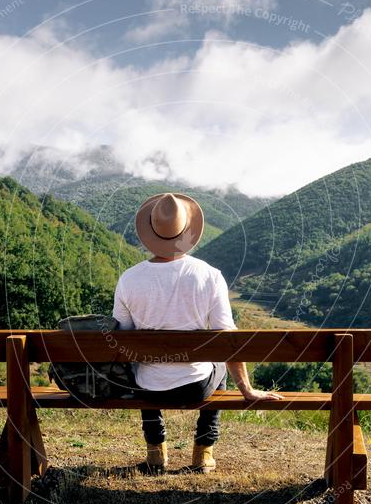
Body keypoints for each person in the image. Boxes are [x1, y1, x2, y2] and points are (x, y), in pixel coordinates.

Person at [112, 192, 282, 473]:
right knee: (219, 364)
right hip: (196, 388)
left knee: (142, 365)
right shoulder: (209, 275)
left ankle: (156, 453)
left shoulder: (129, 278)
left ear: (150, 232)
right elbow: (227, 338)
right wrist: (247, 390)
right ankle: (203, 452)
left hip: (147, 390)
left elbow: (123, 338)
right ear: (186, 231)